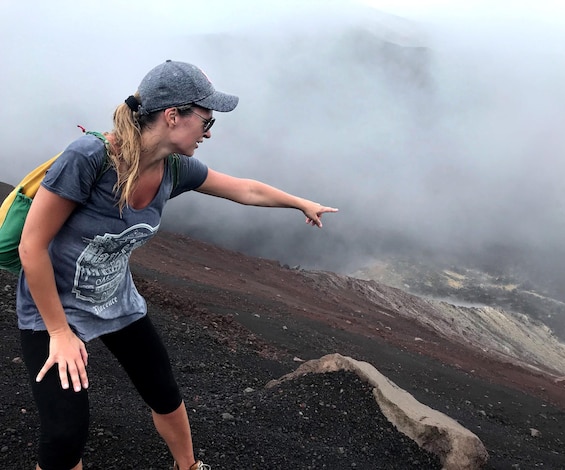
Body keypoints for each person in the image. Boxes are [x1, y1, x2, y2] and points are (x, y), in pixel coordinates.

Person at [17, 59, 338, 470]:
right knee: (65, 433)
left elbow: (246, 190)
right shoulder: (90, 157)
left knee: (163, 391)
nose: (209, 132)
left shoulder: (174, 168)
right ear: (173, 116)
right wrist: (60, 332)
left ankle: (187, 467)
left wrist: (300, 203)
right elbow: (32, 246)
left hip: (116, 302)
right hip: (52, 311)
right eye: (207, 120)